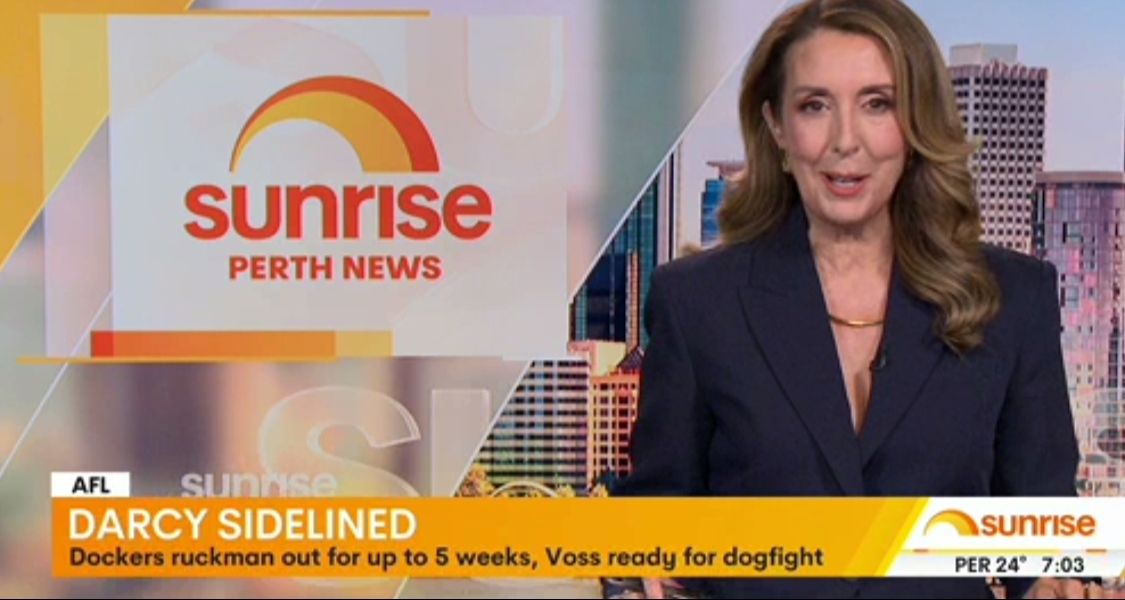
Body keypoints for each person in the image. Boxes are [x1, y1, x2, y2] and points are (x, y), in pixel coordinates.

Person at [610, 0, 1102, 598]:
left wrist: (1052, 581)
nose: (846, 141)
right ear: (777, 126)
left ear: (916, 122)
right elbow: (659, 513)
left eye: (877, 104)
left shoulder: (1012, 298)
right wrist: (647, 561)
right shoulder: (698, 302)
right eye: (814, 106)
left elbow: (1043, 526)